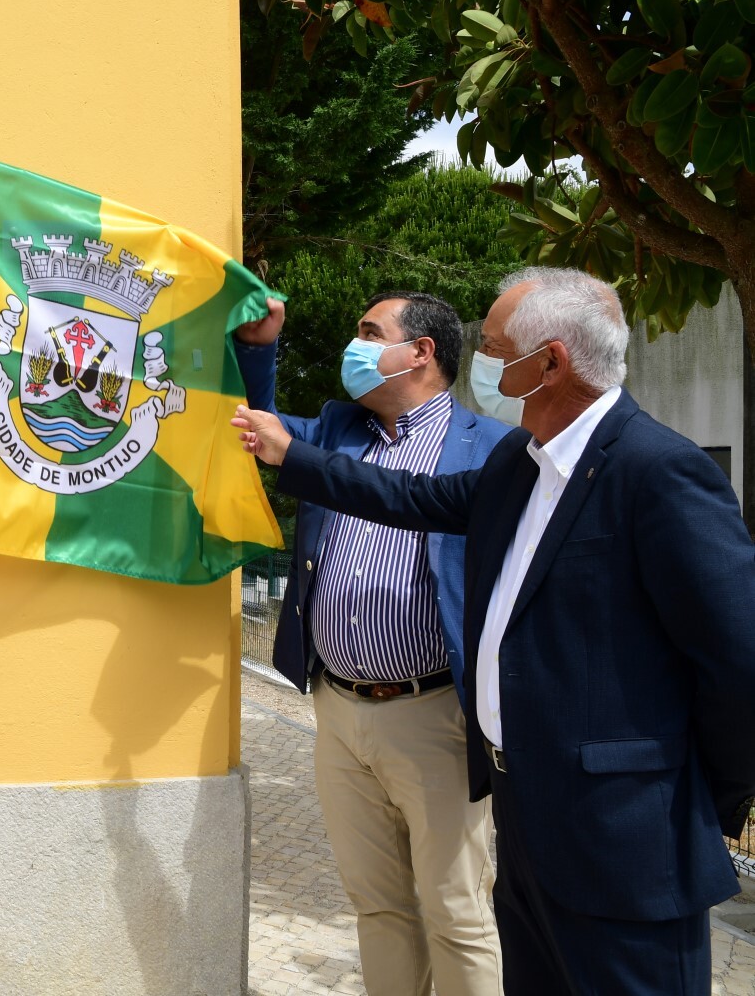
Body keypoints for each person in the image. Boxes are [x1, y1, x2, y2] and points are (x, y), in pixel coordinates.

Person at [233, 267, 755, 994]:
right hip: (527, 817)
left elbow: (738, 658)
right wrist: (293, 455)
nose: (483, 355)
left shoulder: (657, 470)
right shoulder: (521, 461)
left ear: (550, 363)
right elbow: (410, 494)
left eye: (498, 344)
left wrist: (705, 798)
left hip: (627, 842)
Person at [234, 291, 509, 995]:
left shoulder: (489, 449)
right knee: (379, 907)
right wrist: (260, 348)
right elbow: (256, 431)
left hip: (436, 717)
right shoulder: (339, 428)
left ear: (420, 351)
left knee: (455, 911)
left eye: (368, 332)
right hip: (338, 713)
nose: (353, 346)